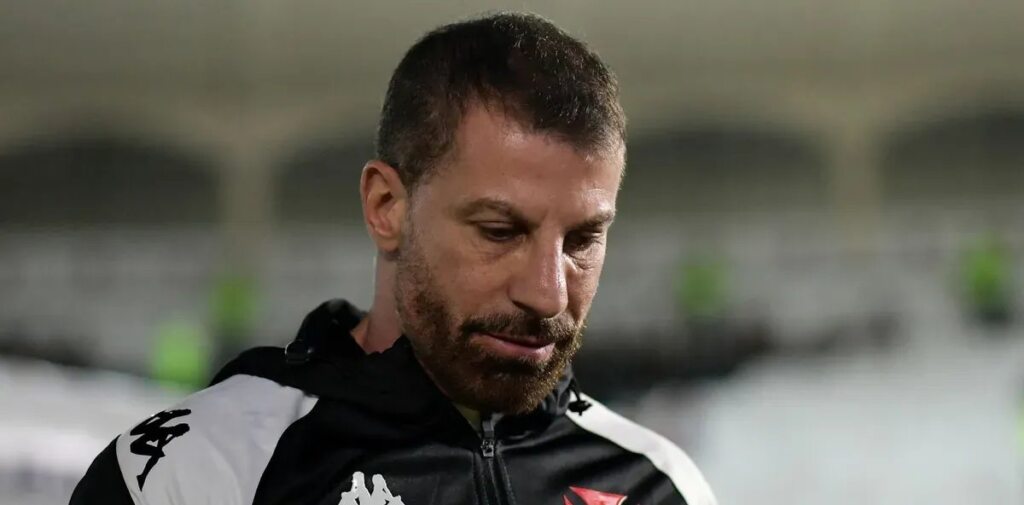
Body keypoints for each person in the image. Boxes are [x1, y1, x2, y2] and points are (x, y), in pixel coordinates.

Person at [71, 12, 717, 505]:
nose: (548, 293)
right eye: (499, 231)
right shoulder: (199, 472)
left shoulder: (658, 485)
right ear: (387, 207)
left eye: (582, 241)